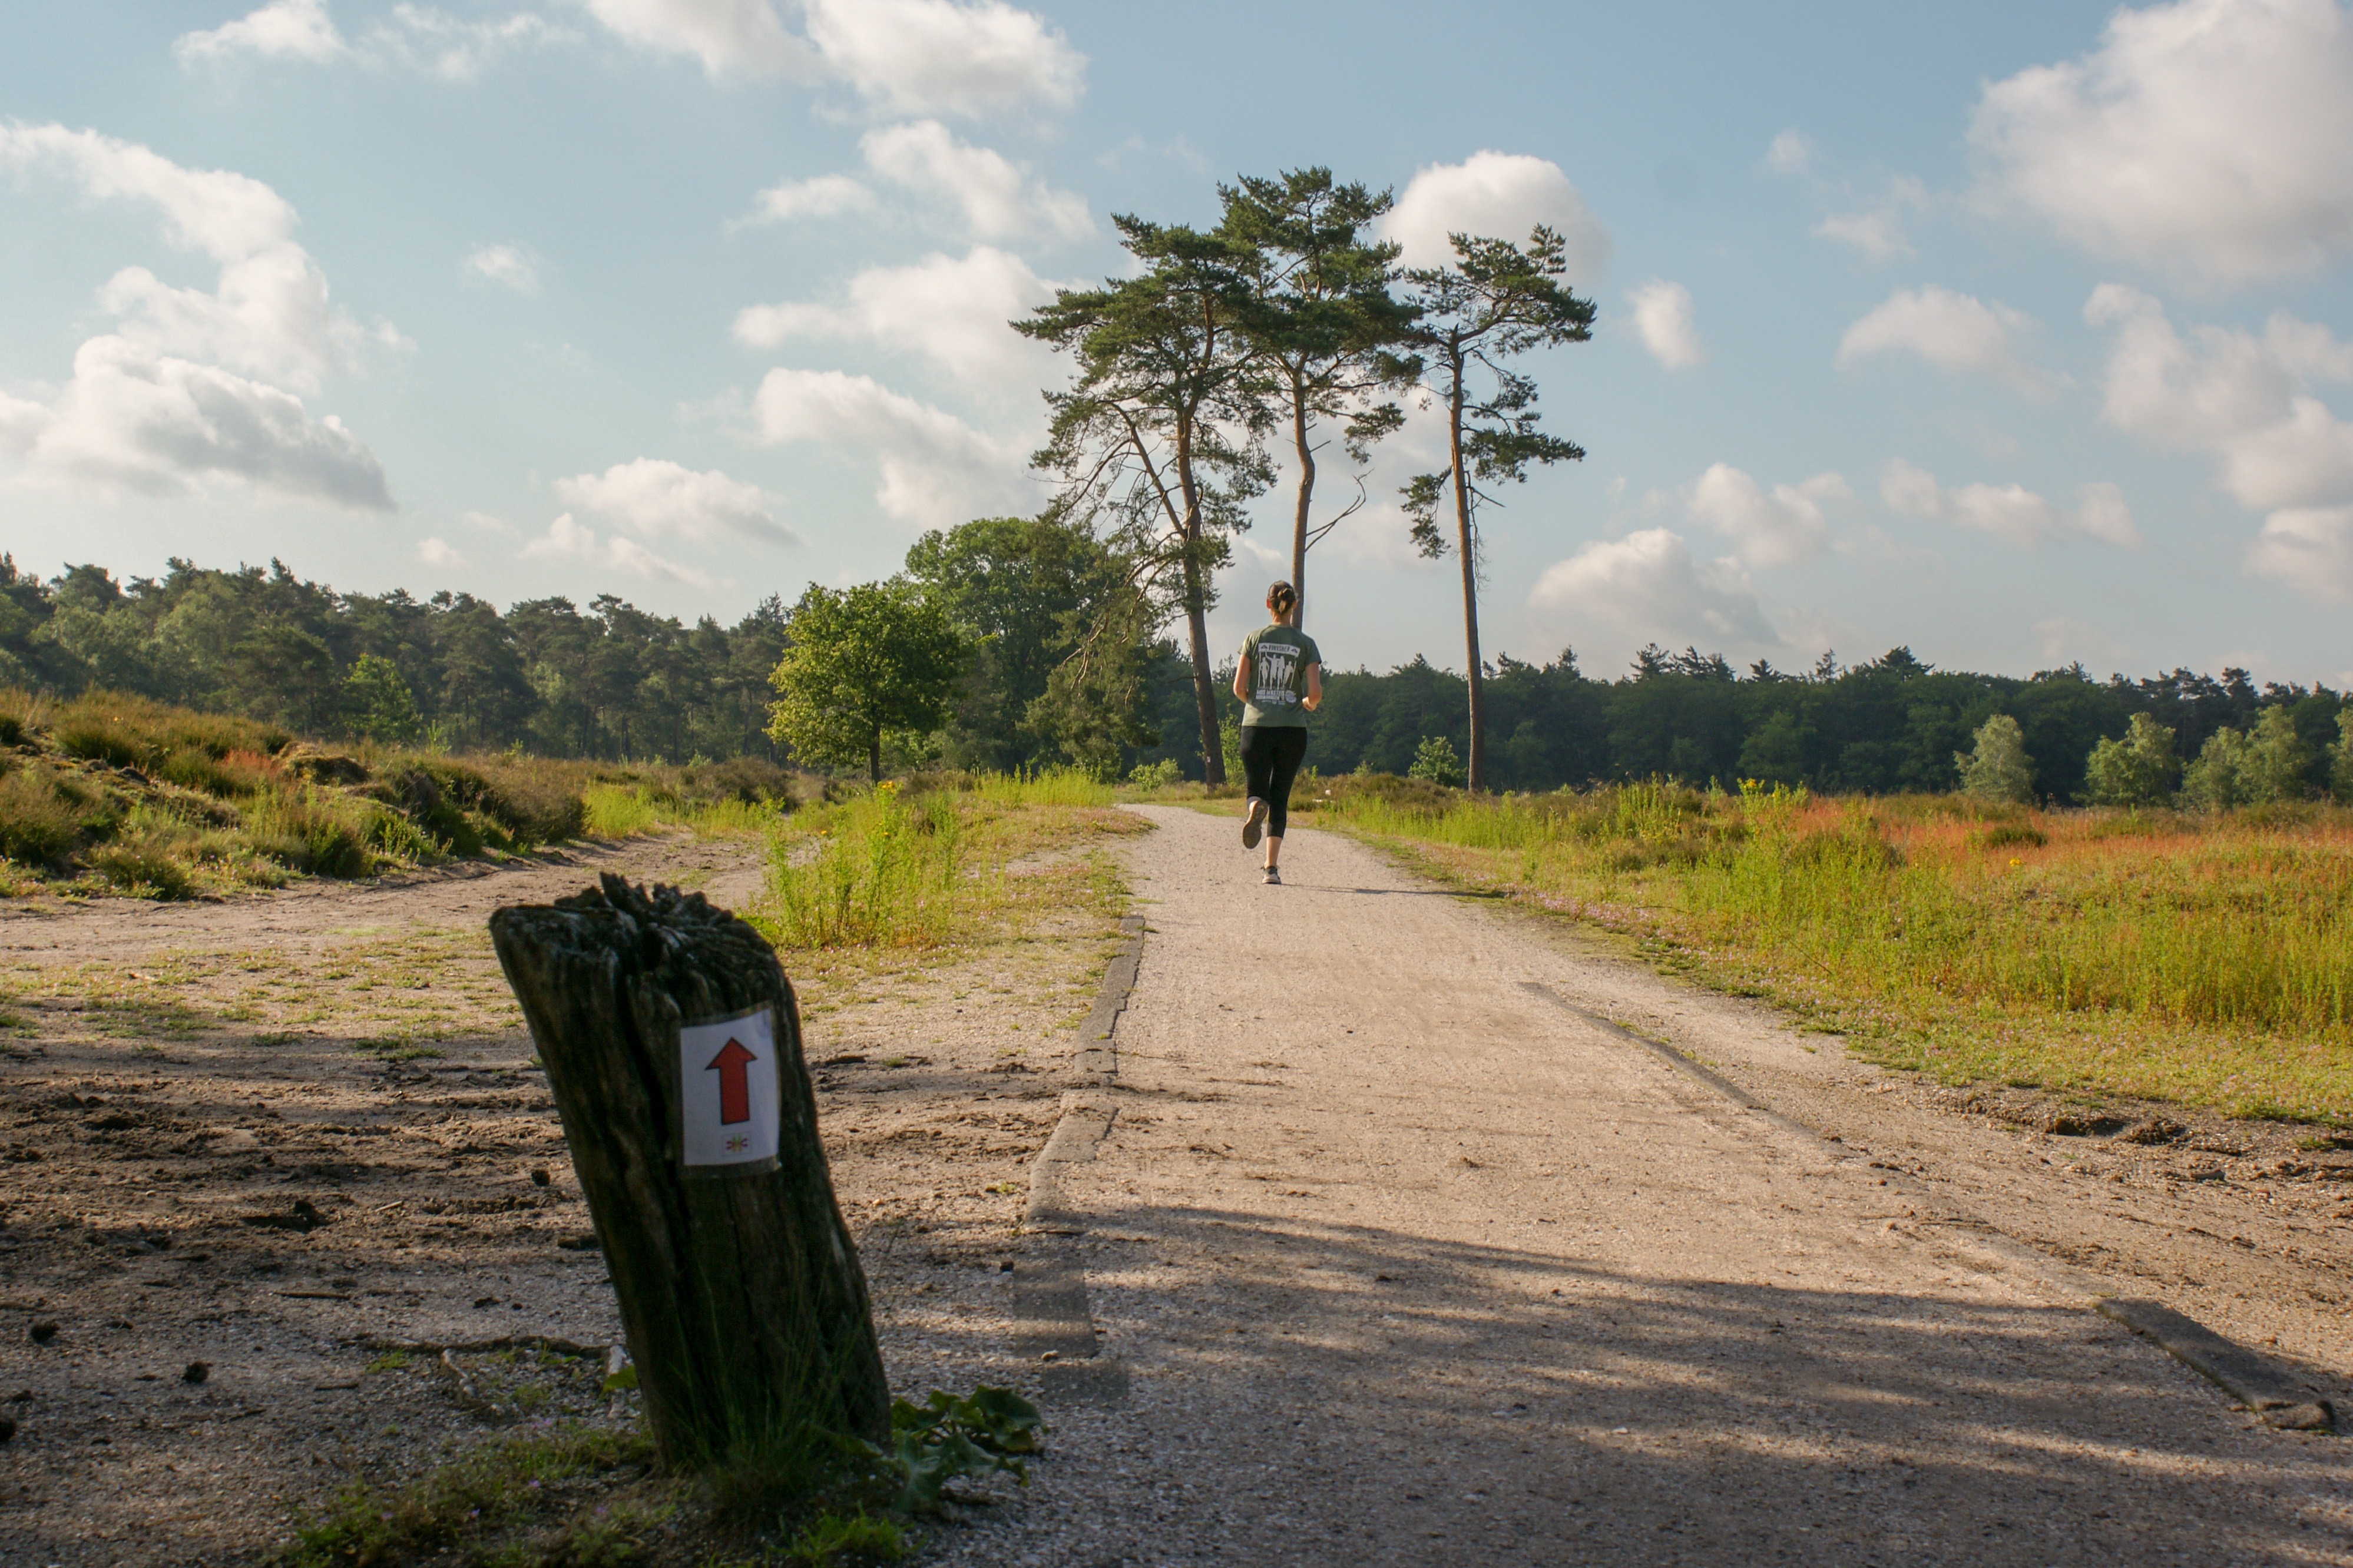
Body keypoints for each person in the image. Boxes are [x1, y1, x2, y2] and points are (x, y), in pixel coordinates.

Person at [1230, 581, 1322, 885]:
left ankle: (1256, 806)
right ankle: (1271, 868)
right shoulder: (1306, 643)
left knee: (1257, 787)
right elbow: (1316, 694)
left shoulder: (1254, 639)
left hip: (1256, 726)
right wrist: (1306, 704)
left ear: (1268, 605)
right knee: (1281, 797)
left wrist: (1257, 702)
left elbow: (1239, 689)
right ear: (1294, 606)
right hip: (1292, 730)